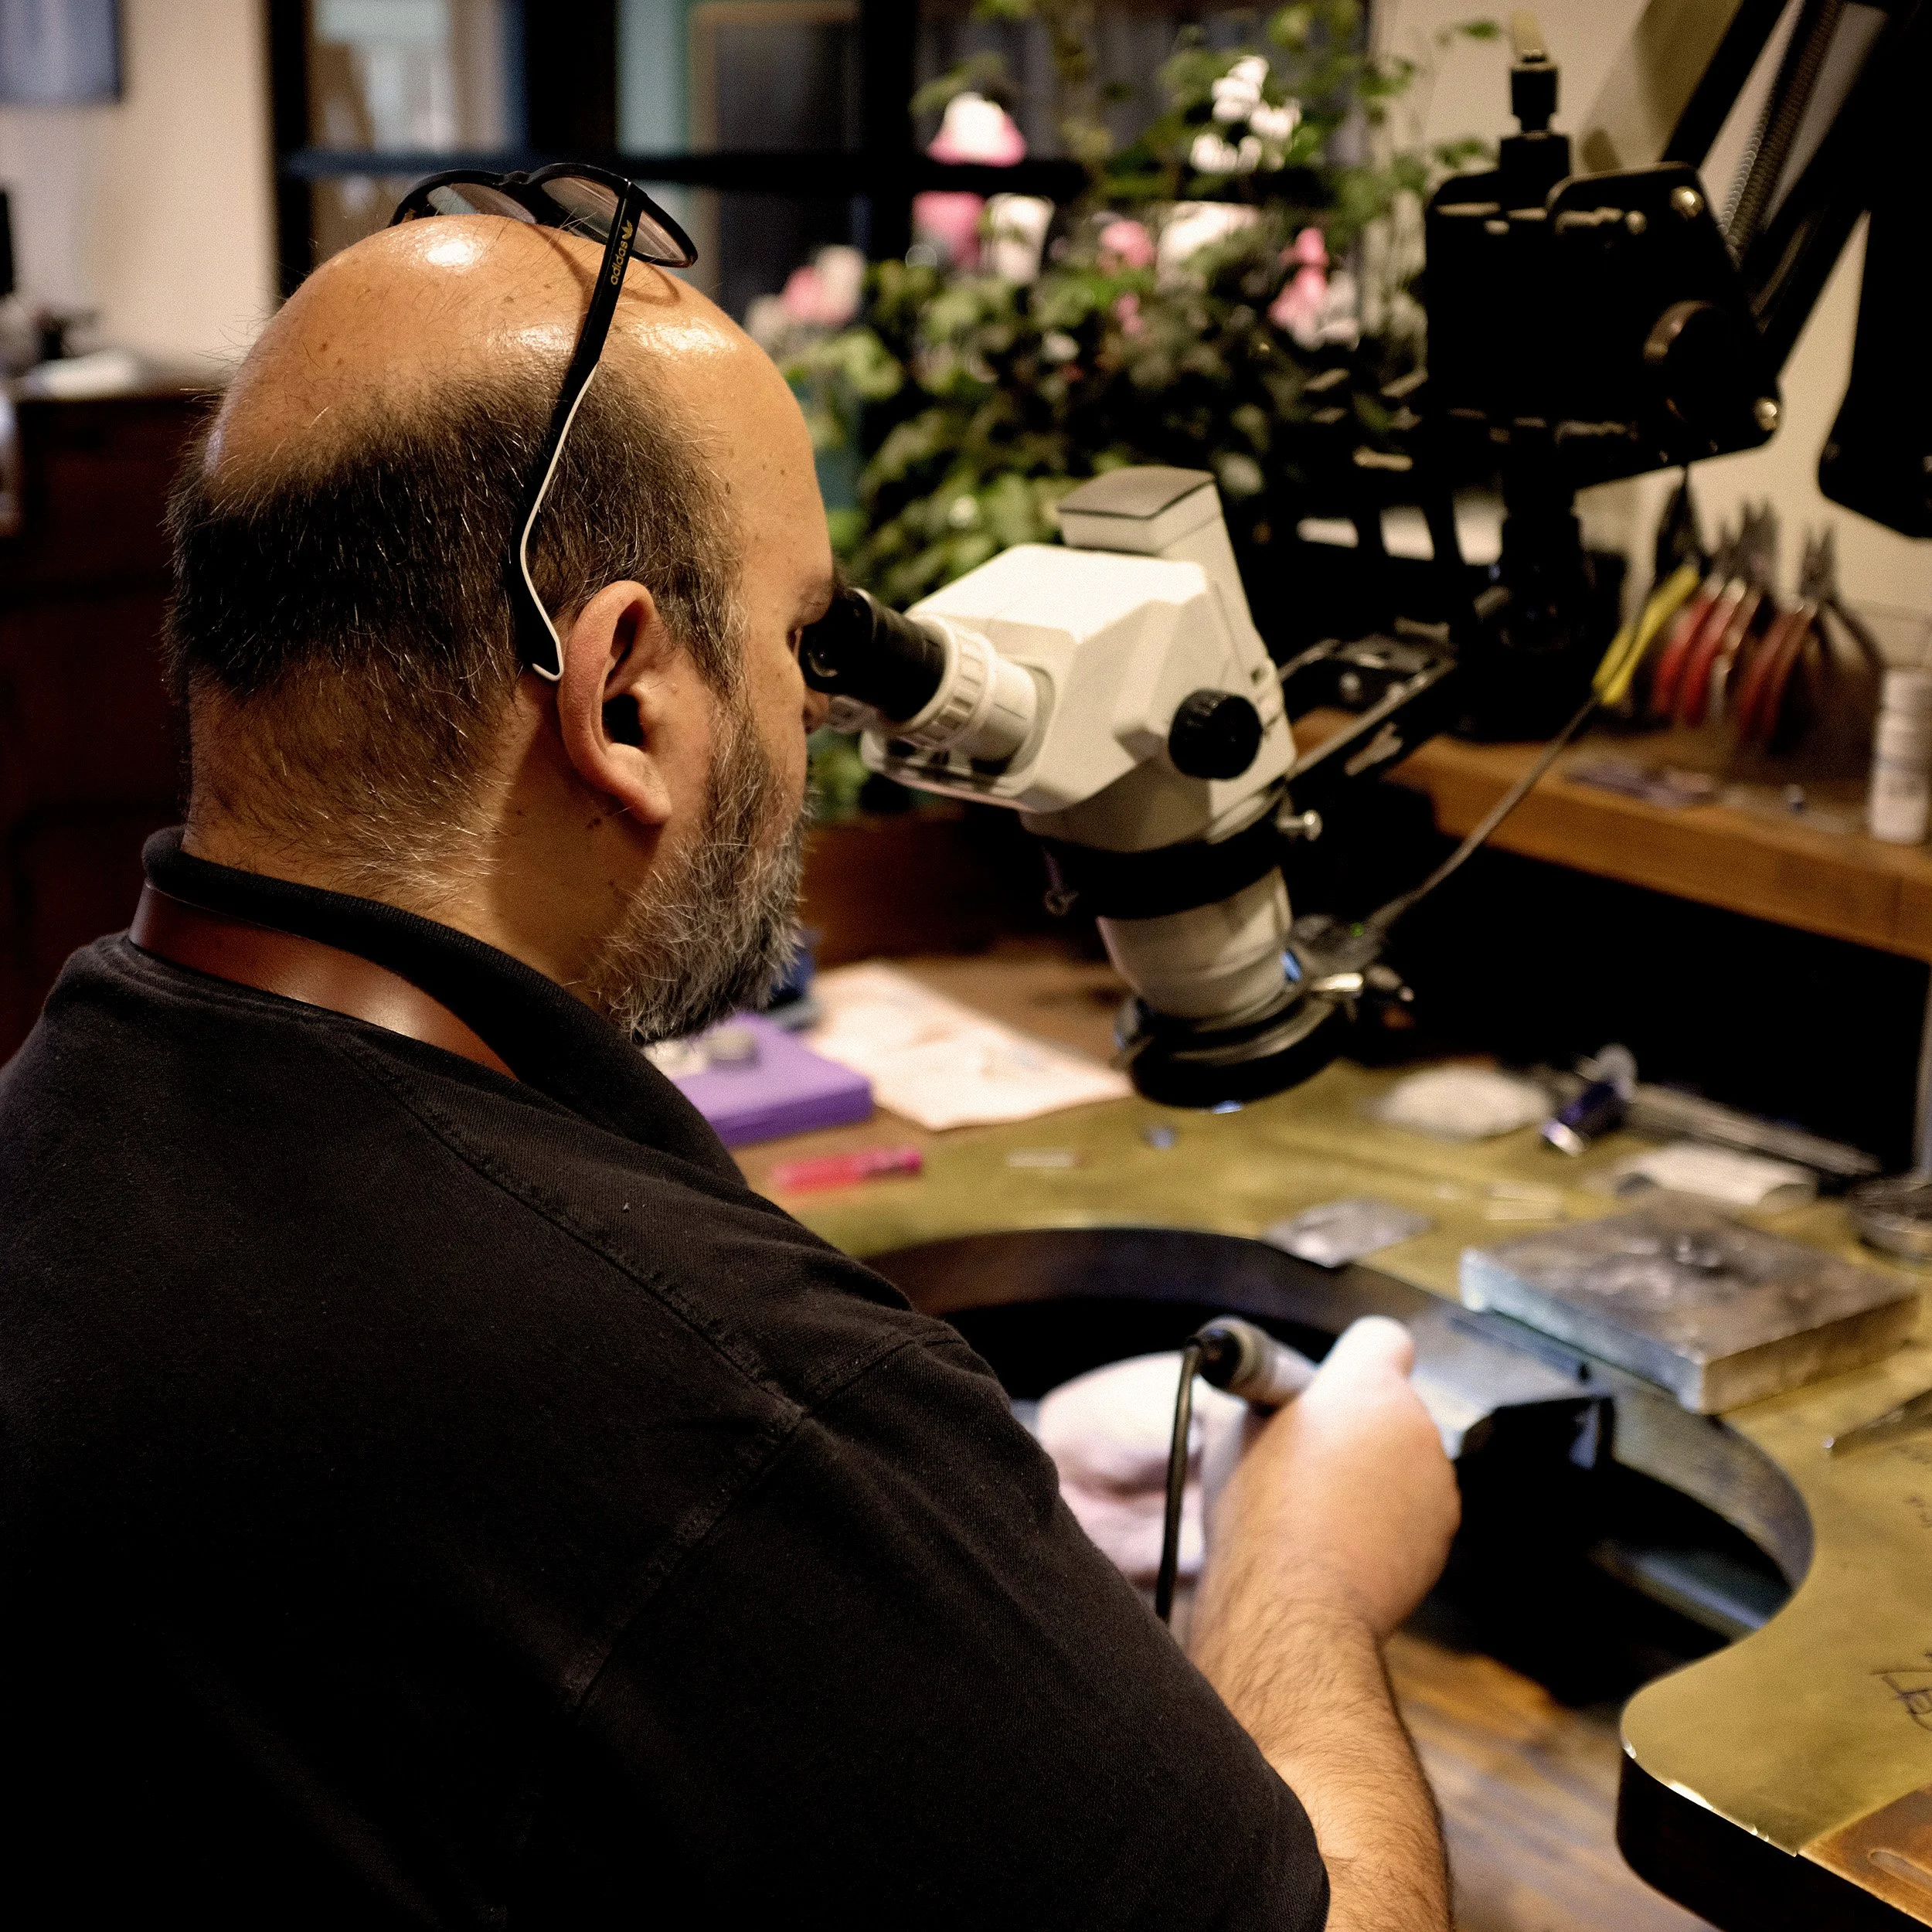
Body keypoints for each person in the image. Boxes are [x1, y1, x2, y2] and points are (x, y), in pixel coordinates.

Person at [0, 198, 1459, 1928]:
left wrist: (924, 1548)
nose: (817, 723)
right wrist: (1302, 1567)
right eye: (797, 641)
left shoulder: (68, 1121)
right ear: (623, 696)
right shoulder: (717, 1413)